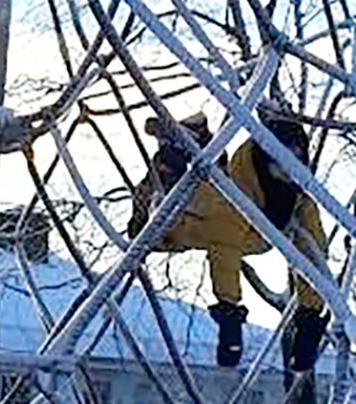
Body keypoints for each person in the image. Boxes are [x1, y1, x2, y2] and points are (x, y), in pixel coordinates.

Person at [130, 108, 329, 372]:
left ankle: (197, 138)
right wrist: (230, 318)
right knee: (161, 216)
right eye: (283, 161)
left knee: (215, 187)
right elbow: (224, 249)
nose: (287, 170)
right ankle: (176, 153)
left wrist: (310, 318)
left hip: (233, 216)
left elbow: (313, 253)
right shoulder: (232, 205)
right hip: (182, 220)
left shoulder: (299, 201)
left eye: (295, 159)